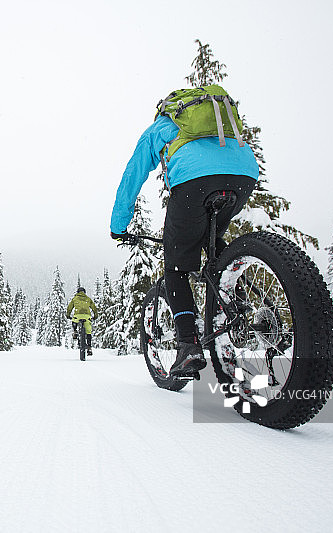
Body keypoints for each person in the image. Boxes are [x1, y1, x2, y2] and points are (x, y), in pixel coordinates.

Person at [109, 98, 259, 377]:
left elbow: (133, 175)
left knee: (176, 266)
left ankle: (188, 344)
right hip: (244, 175)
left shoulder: (160, 127)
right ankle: (236, 300)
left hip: (193, 181)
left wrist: (119, 225)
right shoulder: (217, 122)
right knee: (212, 242)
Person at [66, 287, 98, 356]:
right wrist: (95, 316)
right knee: (88, 332)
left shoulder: (75, 298)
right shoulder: (88, 299)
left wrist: (68, 315)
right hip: (87, 316)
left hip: (78, 315)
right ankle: (89, 347)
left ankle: (75, 331)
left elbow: (69, 308)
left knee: (74, 321)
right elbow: (94, 308)